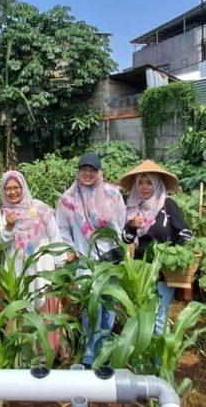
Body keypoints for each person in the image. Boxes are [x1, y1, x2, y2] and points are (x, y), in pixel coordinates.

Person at [56, 153, 126, 368]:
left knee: (109, 305)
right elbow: (62, 228)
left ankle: (104, 348)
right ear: (78, 171)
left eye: (92, 170)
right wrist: (71, 249)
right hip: (85, 261)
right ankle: (89, 352)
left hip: (110, 260)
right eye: (83, 169)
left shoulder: (113, 194)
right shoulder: (68, 200)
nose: (87, 173)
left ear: (99, 172)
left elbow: (121, 225)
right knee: (90, 306)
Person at [0, 170, 69, 356]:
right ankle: (24, 354)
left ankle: (47, 353)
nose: (12, 192)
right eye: (8, 188)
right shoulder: (1, 213)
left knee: (44, 305)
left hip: (42, 266)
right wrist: (9, 227)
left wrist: (59, 263)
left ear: (23, 187)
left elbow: (54, 235)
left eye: (16, 187)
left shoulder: (40, 208)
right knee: (21, 306)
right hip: (17, 268)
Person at [119, 160, 193, 335]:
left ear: (157, 184)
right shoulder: (133, 207)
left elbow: (185, 232)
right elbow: (126, 238)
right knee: (141, 315)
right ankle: (144, 358)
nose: (144, 187)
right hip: (141, 271)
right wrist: (131, 226)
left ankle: (159, 361)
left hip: (163, 272)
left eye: (149, 183)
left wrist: (181, 252)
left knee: (159, 318)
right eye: (140, 183)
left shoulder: (167, 205)